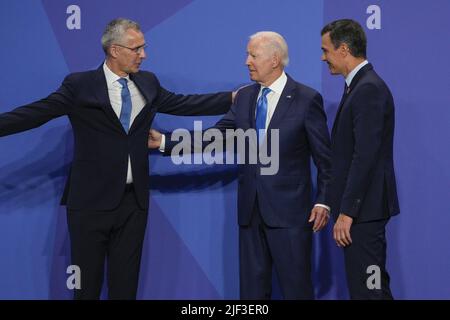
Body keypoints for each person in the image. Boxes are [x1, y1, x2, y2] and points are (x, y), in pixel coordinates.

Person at [0, 18, 233, 299]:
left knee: (126, 287)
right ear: (114, 50)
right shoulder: (80, 85)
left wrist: (232, 98)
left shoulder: (148, 82)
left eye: (143, 48)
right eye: (136, 49)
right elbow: (36, 113)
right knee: (87, 289)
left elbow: (185, 103)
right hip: (89, 205)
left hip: (133, 204)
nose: (143, 55)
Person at [149, 31, 332, 299]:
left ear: (274, 60)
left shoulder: (306, 99)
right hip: (250, 213)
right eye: (247, 54)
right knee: (251, 295)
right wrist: (166, 143)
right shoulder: (245, 96)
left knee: (297, 291)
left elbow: (325, 159)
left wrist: (323, 201)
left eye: (253, 55)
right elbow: (216, 136)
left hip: (290, 215)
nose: (247, 61)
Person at [320, 19, 400, 299]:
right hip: (362, 212)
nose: (323, 57)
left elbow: (365, 156)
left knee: (370, 291)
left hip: (364, 213)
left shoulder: (368, 89)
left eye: (326, 50)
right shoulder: (358, 87)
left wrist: (348, 212)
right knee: (369, 288)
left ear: (343, 50)